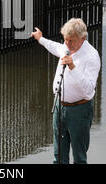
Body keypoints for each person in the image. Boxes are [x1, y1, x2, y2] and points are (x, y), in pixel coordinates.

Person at [31, 18, 101, 164]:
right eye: (66, 40)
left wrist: (73, 67)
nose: (68, 44)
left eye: (72, 41)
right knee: (59, 155)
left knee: (79, 157)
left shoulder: (91, 56)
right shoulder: (67, 46)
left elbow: (88, 88)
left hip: (79, 109)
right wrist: (40, 38)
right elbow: (55, 47)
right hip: (59, 105)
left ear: (82, 38)